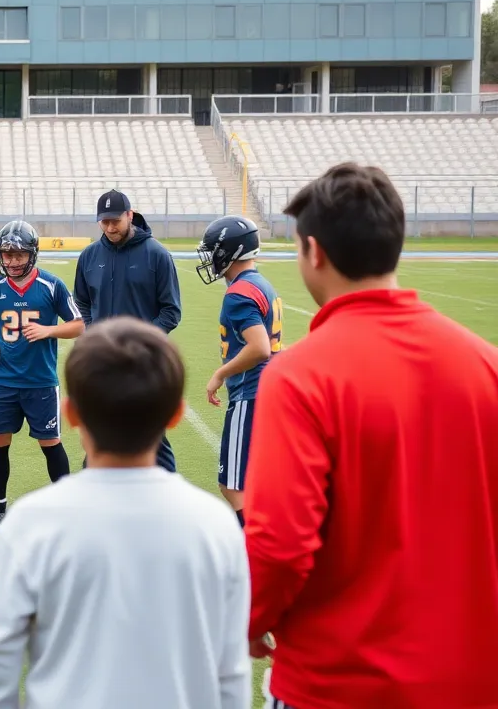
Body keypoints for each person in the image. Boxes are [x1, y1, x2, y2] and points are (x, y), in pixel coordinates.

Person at [245, 163, 498, 709]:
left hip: (337, 681)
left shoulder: (302, 375)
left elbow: (281, 544)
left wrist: (249, 618)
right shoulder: (485, 365)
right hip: (471, 680)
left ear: (314, 252)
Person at [0, 317, 250, 709]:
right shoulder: (216, 524)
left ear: (70, 413)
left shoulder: (31, 523)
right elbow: (231, 667)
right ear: (175, 416)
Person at [0, 220, 84, 538]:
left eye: (19, 254)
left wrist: (49, 330)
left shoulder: (50, 286)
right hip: (3, 380)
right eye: (6, 254)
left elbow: (78, 324)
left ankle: (65, 512)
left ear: (32, 254)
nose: (12, 260)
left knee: (50, 443)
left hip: (40, 381)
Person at [72, 189, 182, 472]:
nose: (110, 227)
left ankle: (169, 494)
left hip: (142, 363)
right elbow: (83, 299)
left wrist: (140, 342)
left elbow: (171, 311)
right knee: (99, 432)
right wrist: (93, 329)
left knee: (151, 435)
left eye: (115, 220)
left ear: (129, 215)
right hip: (101, 363)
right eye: (104, 221)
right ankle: (96, 493)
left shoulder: (156, 254)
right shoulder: (89, 256)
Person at [195, 214, 283, 527]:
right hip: (266, 392)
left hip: (250, 393)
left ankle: (252, 546)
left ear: (227, 251)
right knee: (256, 479)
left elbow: (259, 347)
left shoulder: (239, 293)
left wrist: (220, 374)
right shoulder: (260, 284)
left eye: (212, 250)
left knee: (232, 483)